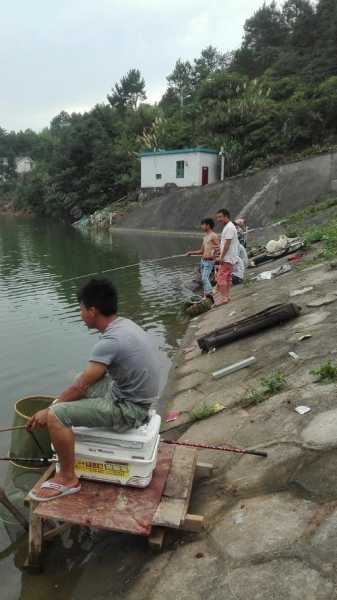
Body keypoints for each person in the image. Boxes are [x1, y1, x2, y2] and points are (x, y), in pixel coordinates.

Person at [28, 278, 160, 502]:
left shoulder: (110, 341)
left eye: (80, 309)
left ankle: (68, 478)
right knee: (76, 384)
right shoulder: (125, 325)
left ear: (92, 311)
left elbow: (81, 386)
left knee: (56, 415)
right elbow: (85, 382)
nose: (80, 314)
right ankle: (61, 425)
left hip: (130, 409)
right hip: (136, 396)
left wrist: (51, 409)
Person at [186, 218, 218, 300]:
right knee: (204, 279)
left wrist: (213, 256)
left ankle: (210, 295)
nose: (201, 227)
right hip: (203, 261)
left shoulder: (213, 235)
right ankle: (206, 294)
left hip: (209, 262)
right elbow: (201, 251)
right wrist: (191, 253)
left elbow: (218, 248)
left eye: (203, 225)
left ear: (208, 225)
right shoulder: (205, 237)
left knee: (204, 278)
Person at [214, 209, 239, 305]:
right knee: (227, 278)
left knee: (220, 278)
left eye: (220, 217)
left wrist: (221, 257)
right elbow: (226, 243)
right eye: (217, 217)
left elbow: (227, 245)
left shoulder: (229, 227)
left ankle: (224, 298)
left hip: (227, 257)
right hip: (230, 257)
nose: (218, 219)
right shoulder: (229, 226)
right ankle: (227, 297)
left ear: (226, 216)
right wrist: (219, 248)